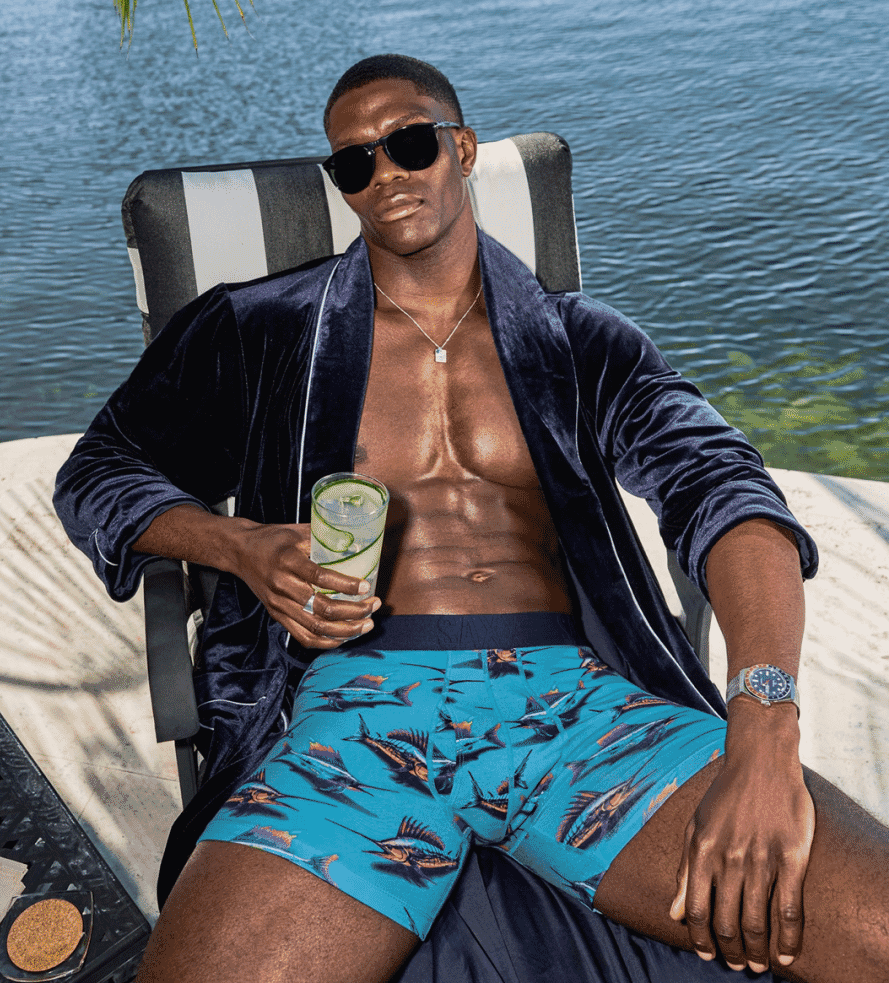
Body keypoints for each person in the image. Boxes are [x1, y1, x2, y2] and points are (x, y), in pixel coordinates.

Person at [55, 55, 889, 983]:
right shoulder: (257, 330)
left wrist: (763, 727)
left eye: (408, 145)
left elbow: (728, 497)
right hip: (357, 713)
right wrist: (240, 547)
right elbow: (99, 471)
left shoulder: (579, 340)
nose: (386, 176)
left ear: (459, 148)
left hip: (578, 711)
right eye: (354, 164)